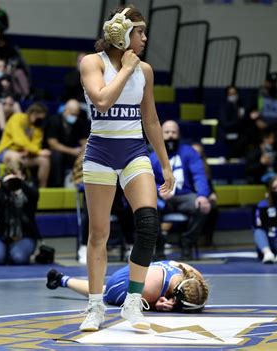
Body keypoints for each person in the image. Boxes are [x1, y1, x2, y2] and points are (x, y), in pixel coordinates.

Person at [78, 5, 175, 332]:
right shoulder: (93, 63)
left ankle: (133, 302)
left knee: (148, 223)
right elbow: (102, 101)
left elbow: (150, 119)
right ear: (123, 35)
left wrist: (165, 164)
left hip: (134, 151)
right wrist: (125, 69)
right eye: (140, 32)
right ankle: (95, 307)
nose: (145, 38)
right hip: (100, 152)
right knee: (99, 233)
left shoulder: (144, 70)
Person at [46, 260, 209, 313]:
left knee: (101, 290)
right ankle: (62, 279)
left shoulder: (195, 276)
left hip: (138, 269)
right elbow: (133, 305)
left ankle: (60, 279)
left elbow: (197, 296)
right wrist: (153, 306)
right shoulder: (151, 290)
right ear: (175, 294)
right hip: (121, 283)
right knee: (103, 294)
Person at [150, 120, 211, 260]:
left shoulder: (189, 152)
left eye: (173, 132)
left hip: (185, 195)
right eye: (167, 132)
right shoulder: (153, 156)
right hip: (162, 198)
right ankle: (159, 245)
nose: (170, 135)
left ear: (179, 134)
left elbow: (199, 175)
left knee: (202, 205)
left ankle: (187, 242)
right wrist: (158, 190)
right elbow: (148, 178)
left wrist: (202, 195)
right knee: (148, 208)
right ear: (161, 134)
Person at [0, 160, 39, 265]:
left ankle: (16, 251)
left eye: (15, 174)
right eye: (9, 174)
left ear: (23, 175)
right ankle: (8, 251)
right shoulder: (2, 189)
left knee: (18, 258)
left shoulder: (29, 188)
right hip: (2, 236)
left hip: (25, 236)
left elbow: (34, 196)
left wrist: (19, 183)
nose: (12, 177)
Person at [0, 103, 51, 187]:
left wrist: (31, 152)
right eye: (39, 117)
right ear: (33, 113)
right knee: (15, 156)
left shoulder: (37, 127)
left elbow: (36, 144)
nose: (40, 120)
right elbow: (18, 140)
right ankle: (21, 187)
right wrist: (38, 151)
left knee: (44, 161)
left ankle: (42, 190)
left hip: (25, 155)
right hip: (6, 152)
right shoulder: (17, 118)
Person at [44, 99, 89, 187]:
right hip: (55, 151)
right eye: (73, 114)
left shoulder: (78, 122)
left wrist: (84, 148)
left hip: (71, 152)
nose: (74, 117)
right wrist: (72, 151)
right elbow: (53, 144)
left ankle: (80, 184)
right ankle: (57, 186)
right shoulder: (54, 120)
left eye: (76, 114)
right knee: (57, 156)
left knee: (85, 156)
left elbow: (84, 141)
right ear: (66, 110)